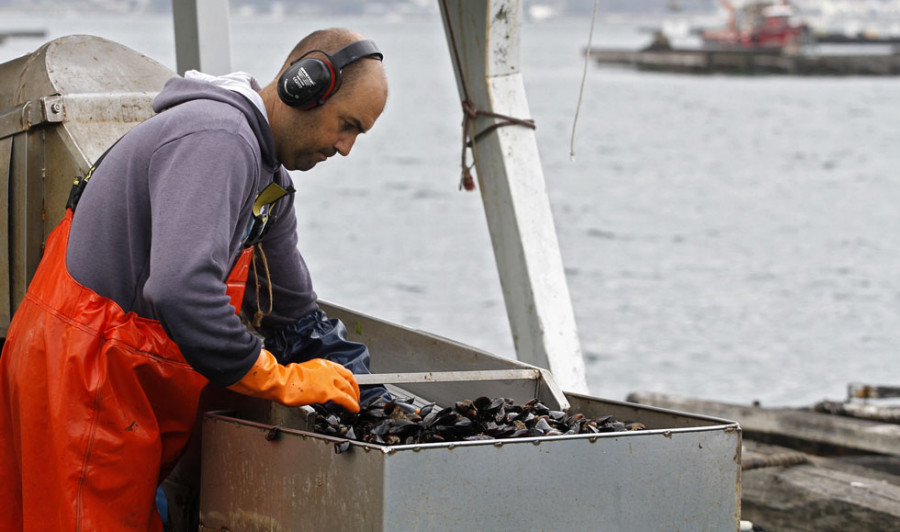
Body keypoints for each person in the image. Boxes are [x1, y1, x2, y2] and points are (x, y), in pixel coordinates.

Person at [0, 27, 389, 531]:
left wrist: (368, 391)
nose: (345, 147)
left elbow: (291, 312)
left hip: (130, 384)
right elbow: (179, 289)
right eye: (347, 125)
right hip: (85, 375)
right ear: (305, 85)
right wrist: (278, 379)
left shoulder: (271, 186)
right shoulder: (218, 137)